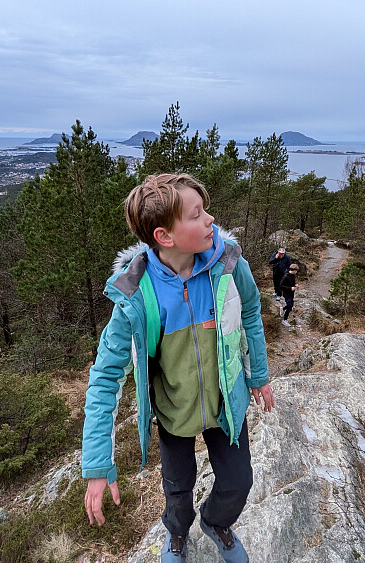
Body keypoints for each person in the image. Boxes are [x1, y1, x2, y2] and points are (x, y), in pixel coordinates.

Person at [82, 173, 275, 562]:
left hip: (226, 407)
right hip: (172, 414)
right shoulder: (135, 295)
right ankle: (177, 536)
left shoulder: (228, 262)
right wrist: (98, 463)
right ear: (164, 236)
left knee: (239, 483)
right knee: (178, 491)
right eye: (197, 214)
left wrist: (259, 375)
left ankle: (217, 522)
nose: (211, 221)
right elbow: (104, 378)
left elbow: (251, 311)